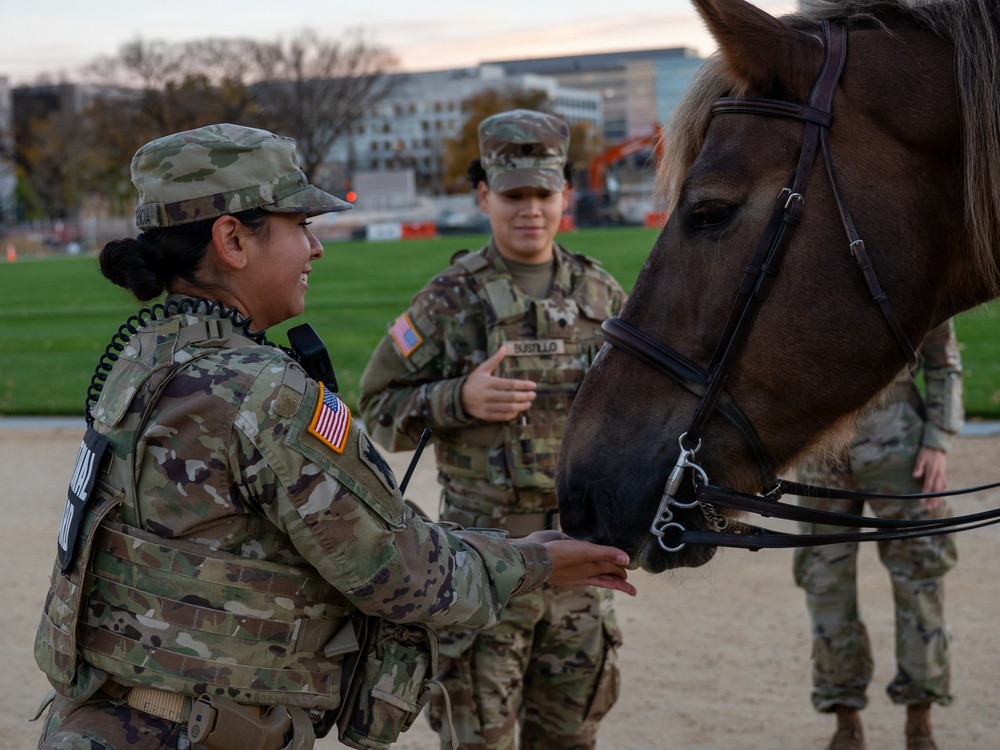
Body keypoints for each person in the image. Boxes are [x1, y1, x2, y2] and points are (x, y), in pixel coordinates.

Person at [31, 123, 636, 750]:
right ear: (233, 240)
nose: (315, 249)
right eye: (302, 226)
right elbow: (399, 569)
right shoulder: (261, 393)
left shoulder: (143, 358)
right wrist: (535, 560)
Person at [359, 109, 628, 750]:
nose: (530, 209)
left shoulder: (602, 295)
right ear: (484, 197)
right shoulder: (449, 299)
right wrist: (459, 397)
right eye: (513, 195)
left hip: (579, 561)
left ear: (565, 194)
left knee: (571, 736)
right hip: (486, 570)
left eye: (544, 193)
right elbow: (374, 405)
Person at [793, 320, 964, 750]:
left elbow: (944, 362)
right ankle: (845, 720)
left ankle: (919, 722)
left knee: (919, 574)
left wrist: (938, 440)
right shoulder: (799, 259)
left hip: (900, 440)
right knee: (825, 582)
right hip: (822, 443)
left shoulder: (916, 256)